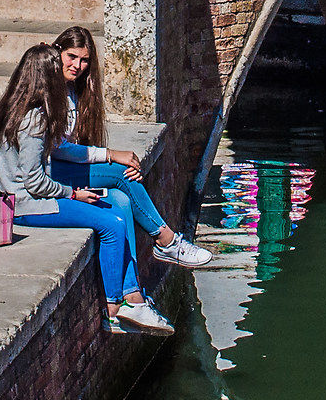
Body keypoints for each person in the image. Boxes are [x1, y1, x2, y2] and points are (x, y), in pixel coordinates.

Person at [0, 42, 174, 335]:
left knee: (116, 205)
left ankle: (130, 298)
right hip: (26, 205)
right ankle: (115, 309)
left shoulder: (10, 105)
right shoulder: (35, 118)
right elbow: (34, 182)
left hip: (19, 198)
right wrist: (74, 194)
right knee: (110, 225)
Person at [51, 25, 213, 269]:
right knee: (120, 173)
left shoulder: (75, 90)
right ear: (58, 53)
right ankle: (166, 240)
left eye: (84, 60)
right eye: (71, 57)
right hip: (48, 172)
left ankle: (131, 294)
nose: (77, 65)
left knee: (122, 201)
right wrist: (111, 155)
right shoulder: (49, 91)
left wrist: (115, 160)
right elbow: (58, 148)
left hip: (65, 167)